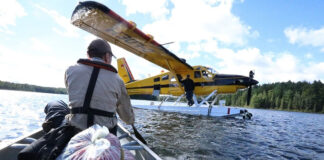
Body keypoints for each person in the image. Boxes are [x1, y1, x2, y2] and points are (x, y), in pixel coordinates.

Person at [65, 38, 135, 136]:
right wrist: (130, 120)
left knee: (58, 104)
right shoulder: (118, 80)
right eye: (111, 57)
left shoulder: (70, 70)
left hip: (76, 131)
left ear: (88, 54)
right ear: (107, 56)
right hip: (104, 134)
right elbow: (127, 118)